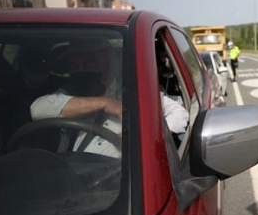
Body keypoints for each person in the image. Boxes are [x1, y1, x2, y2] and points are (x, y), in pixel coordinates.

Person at [30, 40, 188, 158]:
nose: (82, 70)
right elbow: (38, 109)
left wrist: (147, 137)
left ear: (108, 58)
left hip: (120, 178)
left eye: (90, 63)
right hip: (71, 170)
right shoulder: (74, 87)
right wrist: (105, 103)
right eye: (75, 65)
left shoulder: (132, 84)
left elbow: (178, 112)